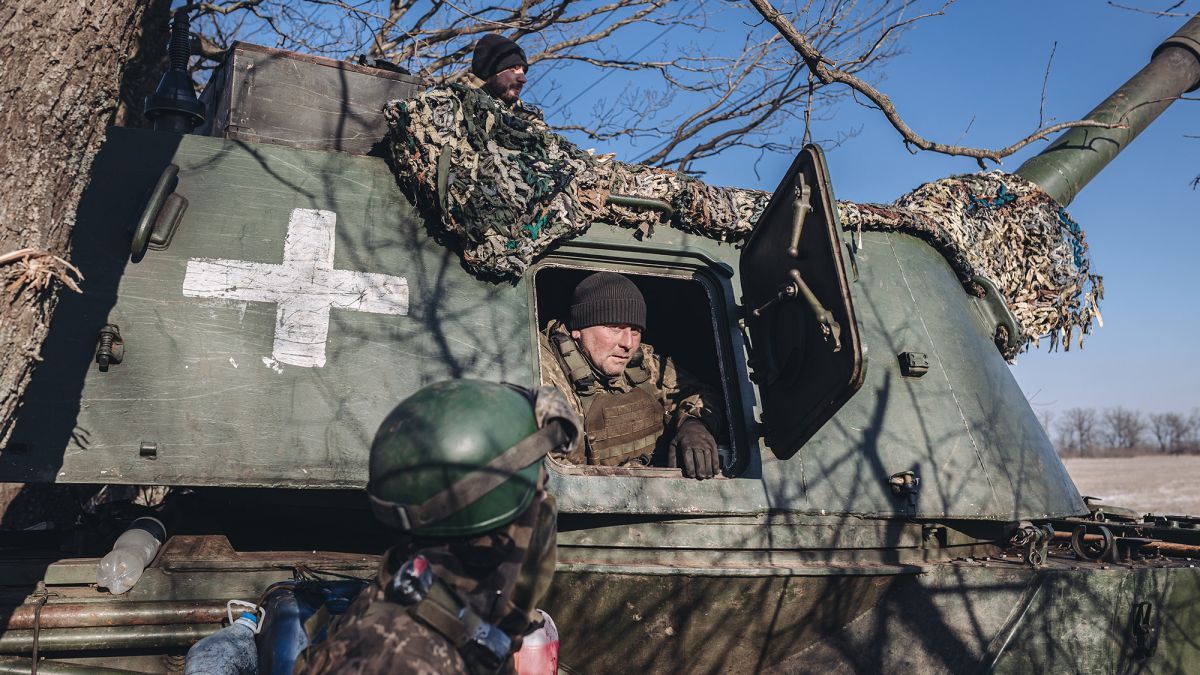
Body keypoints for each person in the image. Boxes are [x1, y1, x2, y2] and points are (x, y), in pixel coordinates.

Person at [296, 379, 581, 674]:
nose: (545, 503)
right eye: (539, 490)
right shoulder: (402, 660)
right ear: (496, 517)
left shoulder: (442, 608)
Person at [539, 271, 725, 480]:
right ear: (577, 329)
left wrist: (694, 424)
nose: (628, 343)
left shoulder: (640, 362)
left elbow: (700, 393)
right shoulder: (544, 374)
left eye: (635, 330)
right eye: (614, 327)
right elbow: (554, 478)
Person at [472, 34, 537, 115]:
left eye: (523, 72)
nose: (523, 79)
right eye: (514, 69)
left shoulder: (526, 116)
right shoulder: (456, 102)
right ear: (489, 72)